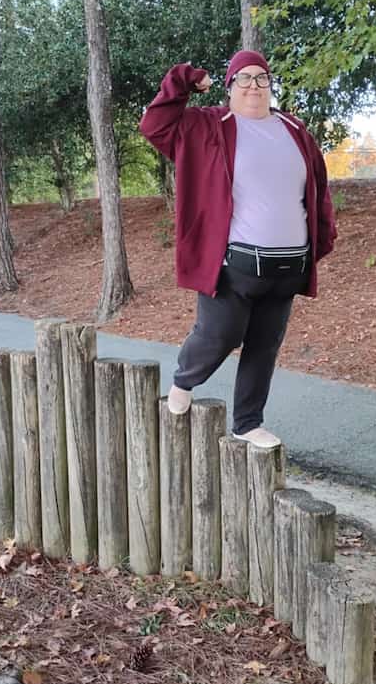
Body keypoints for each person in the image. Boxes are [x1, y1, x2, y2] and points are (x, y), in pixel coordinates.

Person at [139, 50, 336, 448]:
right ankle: (184, 381)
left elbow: (317, 186)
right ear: (229, 88)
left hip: (288, 266)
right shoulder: (209, 126)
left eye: (261, 78)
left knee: (264, 347)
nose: (253, 86)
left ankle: (248, 423)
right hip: (235, 265)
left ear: (270, 86)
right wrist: (182, 80)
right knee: (220, 334)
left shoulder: (294, 129)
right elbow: (155, 126)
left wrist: (322, 234)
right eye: (243, 79)